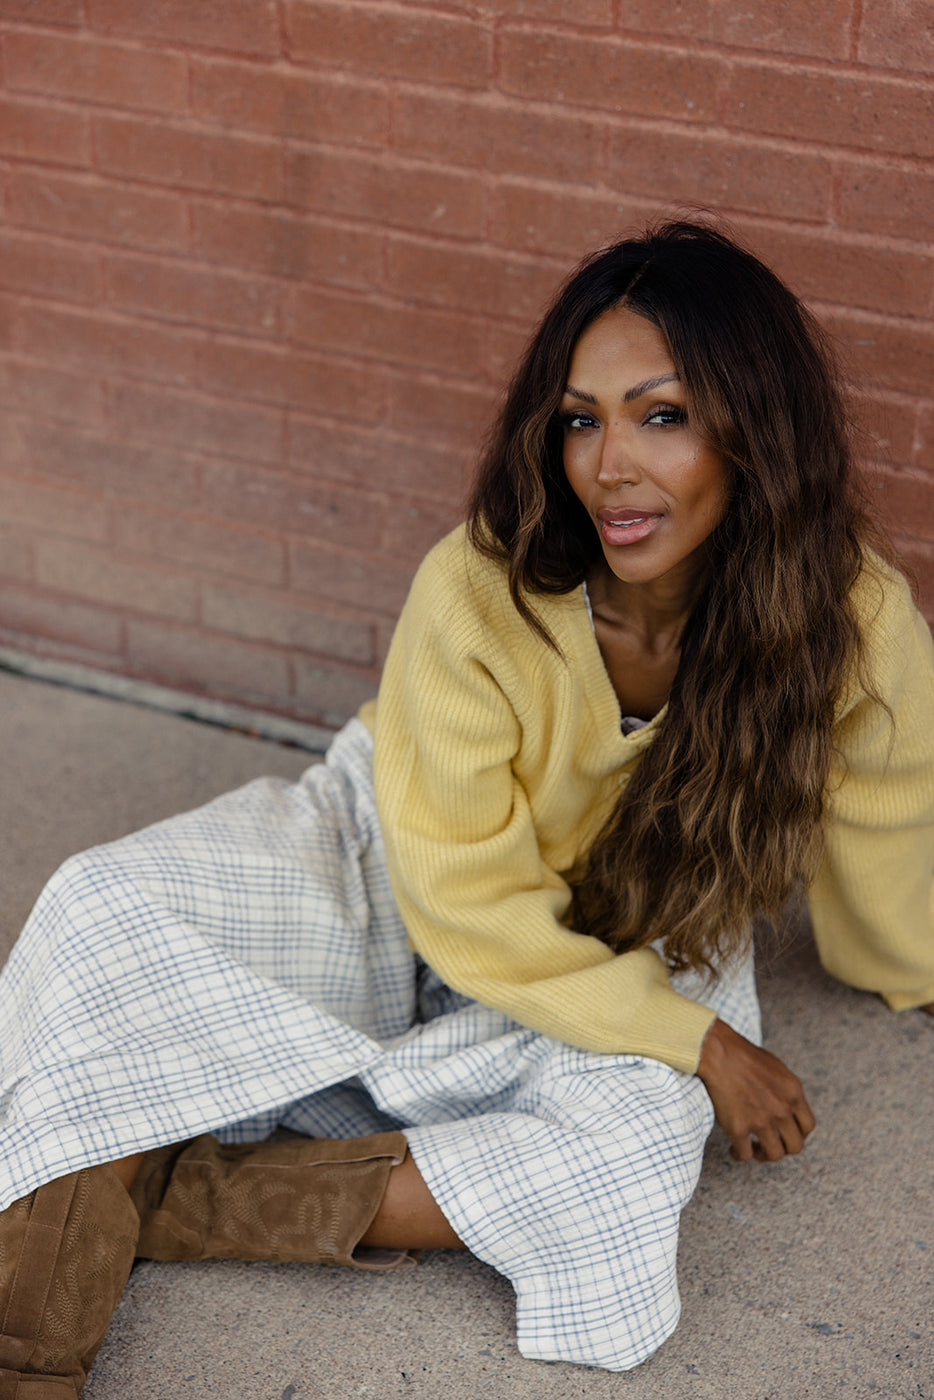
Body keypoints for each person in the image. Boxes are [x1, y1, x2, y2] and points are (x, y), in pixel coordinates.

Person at [0, 219, 932, 1394]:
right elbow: (462, 893)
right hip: (397, 863)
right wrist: (701, 1041)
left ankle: (175, 1187)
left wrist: (907, 966)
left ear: (756, 427)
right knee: (106, 913)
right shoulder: (479, 588)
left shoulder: (847, 615)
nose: (610, 464)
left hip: (630, 935)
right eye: (581, 418)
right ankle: (29, 1352)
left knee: (631, 1154)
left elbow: (892, 810)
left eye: (662, 414)